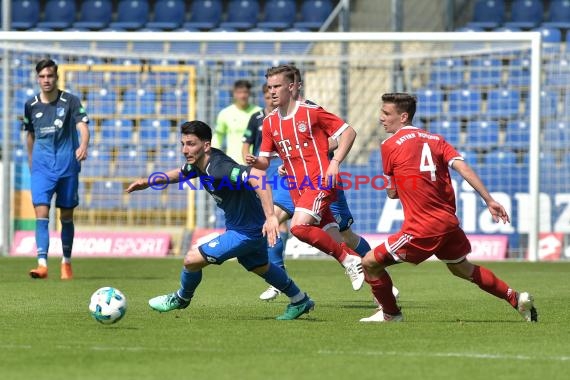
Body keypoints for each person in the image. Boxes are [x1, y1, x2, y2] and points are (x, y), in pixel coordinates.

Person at [359, 92, 537, 323]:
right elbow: (463, 168)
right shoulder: (436, 140)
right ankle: (516, 298)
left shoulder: (389, 145)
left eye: (386, 113)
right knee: (462, 268)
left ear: (403, 117)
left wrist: (402, 184)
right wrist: (489, 200)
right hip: (447, 222)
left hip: (421, 228)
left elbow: (392, 193)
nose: (381, 118)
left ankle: (391, 314)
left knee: (369, 263)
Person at [126, 120, 315, 320]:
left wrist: (271, 217)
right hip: (244, 226)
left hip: (246, 232)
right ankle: (299, 299)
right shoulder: (199, 162)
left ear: (206, 145)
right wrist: (146, 182)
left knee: (191, 260)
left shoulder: (219, 168)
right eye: (183, 144)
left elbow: (258, 176)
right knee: (261, 267)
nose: (184, 149)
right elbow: (179, 174)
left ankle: (181, 298)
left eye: (191, 144)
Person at [245, 67, 398, 302]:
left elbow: (347, 132)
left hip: (320, 180)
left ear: (292, 86)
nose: (271, 92)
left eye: (276, 87)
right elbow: (265, 160)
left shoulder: (311, 112)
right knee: (333, 235)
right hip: (295, 187)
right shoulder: (269, 123)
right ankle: (378, 284)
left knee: (300, 227)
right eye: (269, 88)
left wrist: (334, 162)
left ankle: (350, 261)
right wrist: (258, 161)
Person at [24, 58, 90, 280]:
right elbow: (30, 135)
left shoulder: (70, 101)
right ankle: (42, 264)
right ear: (37, 78)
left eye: (49, 76)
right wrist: (32, 162)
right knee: (41, 213)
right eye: (42, 76)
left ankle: (66, 262)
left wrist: (83, 145)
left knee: (66, 216)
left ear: (56, 77)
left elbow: (83, 126)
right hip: (42, 169)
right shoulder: (30, 105)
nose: (46, 80)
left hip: (67, 167)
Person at [214, 79, 261, 163]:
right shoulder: (225, 113)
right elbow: (218, 137)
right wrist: (213, 156)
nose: (242, 96)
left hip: (254, 162)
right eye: (239, 92)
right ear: (234, 94)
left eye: (245, 92)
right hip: (232, 163)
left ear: (249, 93)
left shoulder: (258, 113)